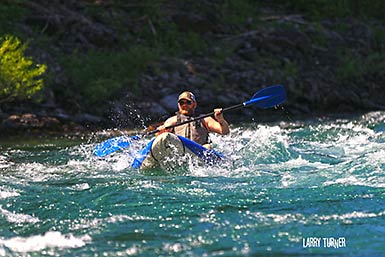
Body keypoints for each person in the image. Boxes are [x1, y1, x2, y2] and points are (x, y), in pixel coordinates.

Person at [157, 91, 229, 149]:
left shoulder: (204, 119)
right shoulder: (172, 121)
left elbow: (225, 131)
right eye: (182, 103)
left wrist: (220, 119)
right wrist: (161, 132)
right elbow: (160, 137)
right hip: (180, 151)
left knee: (207, 146)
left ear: (194, 104)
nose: (184, 105)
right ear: (178, 105)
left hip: (199, 151)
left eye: (188, 102)